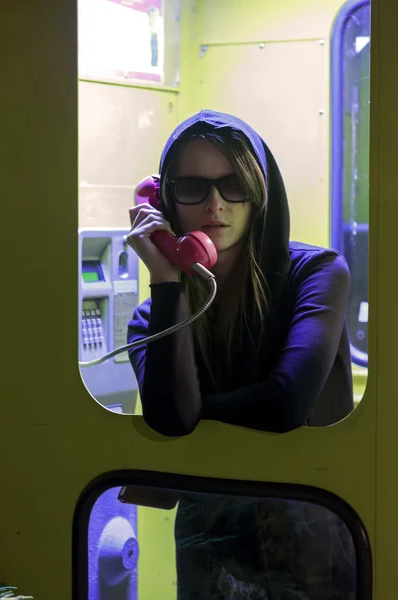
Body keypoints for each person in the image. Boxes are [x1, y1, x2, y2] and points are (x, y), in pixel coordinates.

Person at [126, 110, 355, 598]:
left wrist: (195, 412)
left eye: (234, 185)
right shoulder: (155, 317)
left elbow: (285, 403)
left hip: (310, 536)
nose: (215, 204)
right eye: (192, 187)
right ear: (164, 201)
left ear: (260, 192)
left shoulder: (315, 275)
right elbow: (169, 421)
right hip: (209, 552)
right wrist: (168, 284)